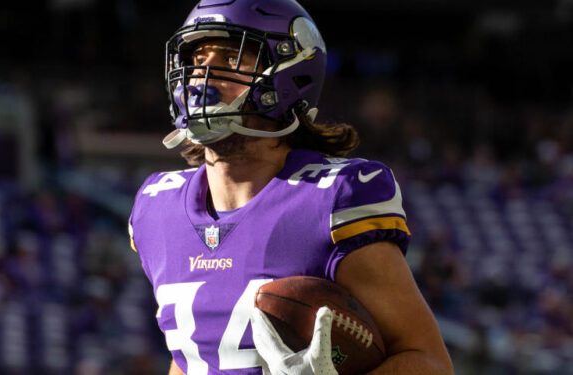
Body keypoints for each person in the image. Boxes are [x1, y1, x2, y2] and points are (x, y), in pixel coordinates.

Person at [128, 0, 453, 374]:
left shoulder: (331, 199)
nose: (202, 76)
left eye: (230, 58)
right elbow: (190, 358)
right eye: (197, 60)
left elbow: (428, 361)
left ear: (288, 75)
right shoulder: (158, 209)